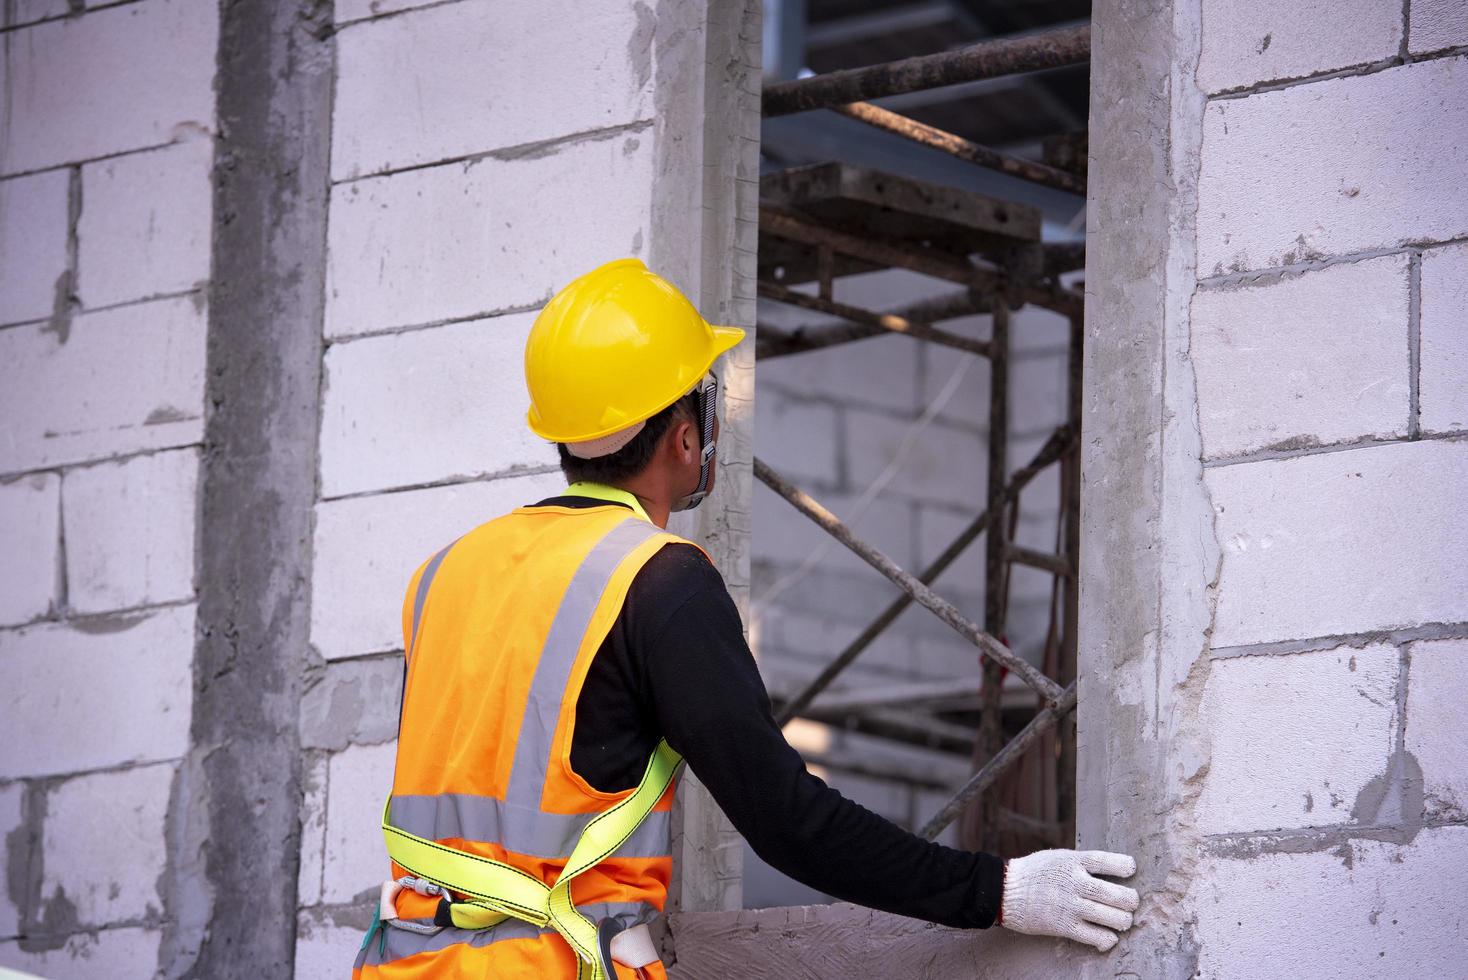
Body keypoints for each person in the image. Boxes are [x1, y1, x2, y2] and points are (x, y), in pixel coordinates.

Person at [353, 259, 1140, 979]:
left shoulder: (442, 573)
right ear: (686, 434)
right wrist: (997, 890)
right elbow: (787, 820)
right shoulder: (657, 582)